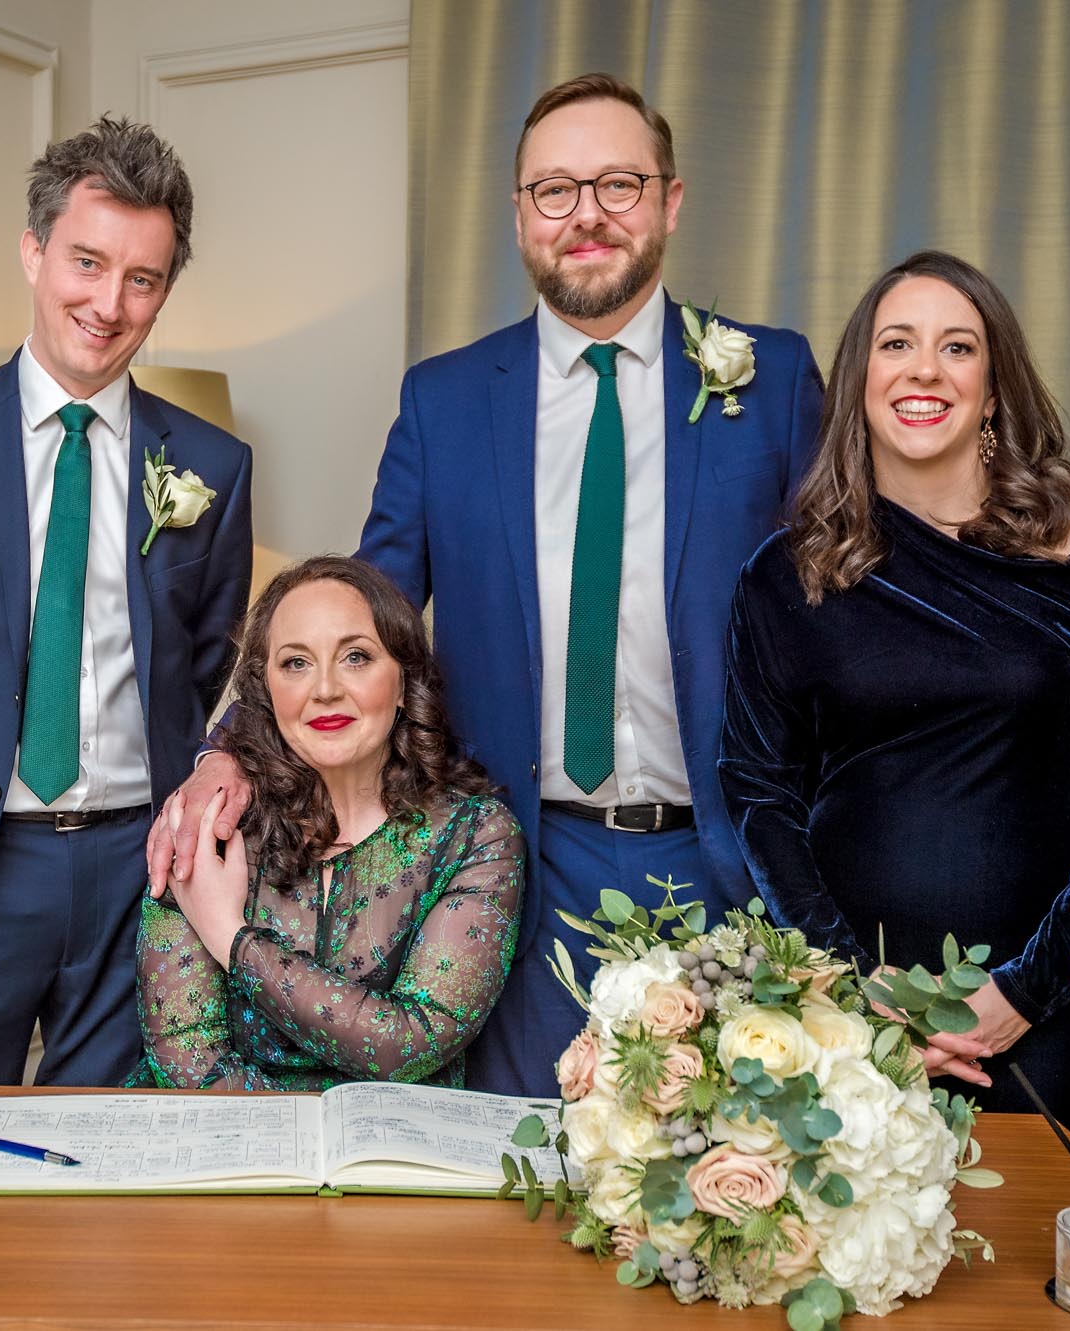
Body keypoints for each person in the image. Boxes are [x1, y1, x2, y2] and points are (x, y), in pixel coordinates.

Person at [148, 73, 824, 1097]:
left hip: (723, 857)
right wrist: (220, 752)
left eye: (616, 184)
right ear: (518, 214)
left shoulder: (769, 382)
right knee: (522, 1184)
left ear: (670, 200)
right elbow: (356, 609)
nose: (585, 213)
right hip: (515, 871)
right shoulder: (446, 399)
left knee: (710, 1191)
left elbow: (838, 616)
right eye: (553, 190)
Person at [718, 249, 1070, 1162]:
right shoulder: (787, 574)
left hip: (1053, 1014)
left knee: (1044, 1283)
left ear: (994, 382)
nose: (924, 368)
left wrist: (1025, 990)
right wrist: (854, 983)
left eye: (958, 346)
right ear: (860, 378)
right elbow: (756, 790)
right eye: (896, 343)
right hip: (854, 1027)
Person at [0, 116, 252, 1086]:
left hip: (133, 871)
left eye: (141, 278)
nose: (107, 303)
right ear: (33, 253)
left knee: (103, 1185)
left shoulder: (209, 463)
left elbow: (204, 653)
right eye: (85, 262)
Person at [137, 556, 524, 1090]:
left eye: (356, 658)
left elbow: (409, 1044)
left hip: (397, 1156)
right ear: (264, 688)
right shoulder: (212, 821)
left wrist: (232, 938)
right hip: (229, 1151)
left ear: (405, 676)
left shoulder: (476, 835)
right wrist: (292, 1154)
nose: (324, 690)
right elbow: (185, 1058)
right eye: (296, 663)